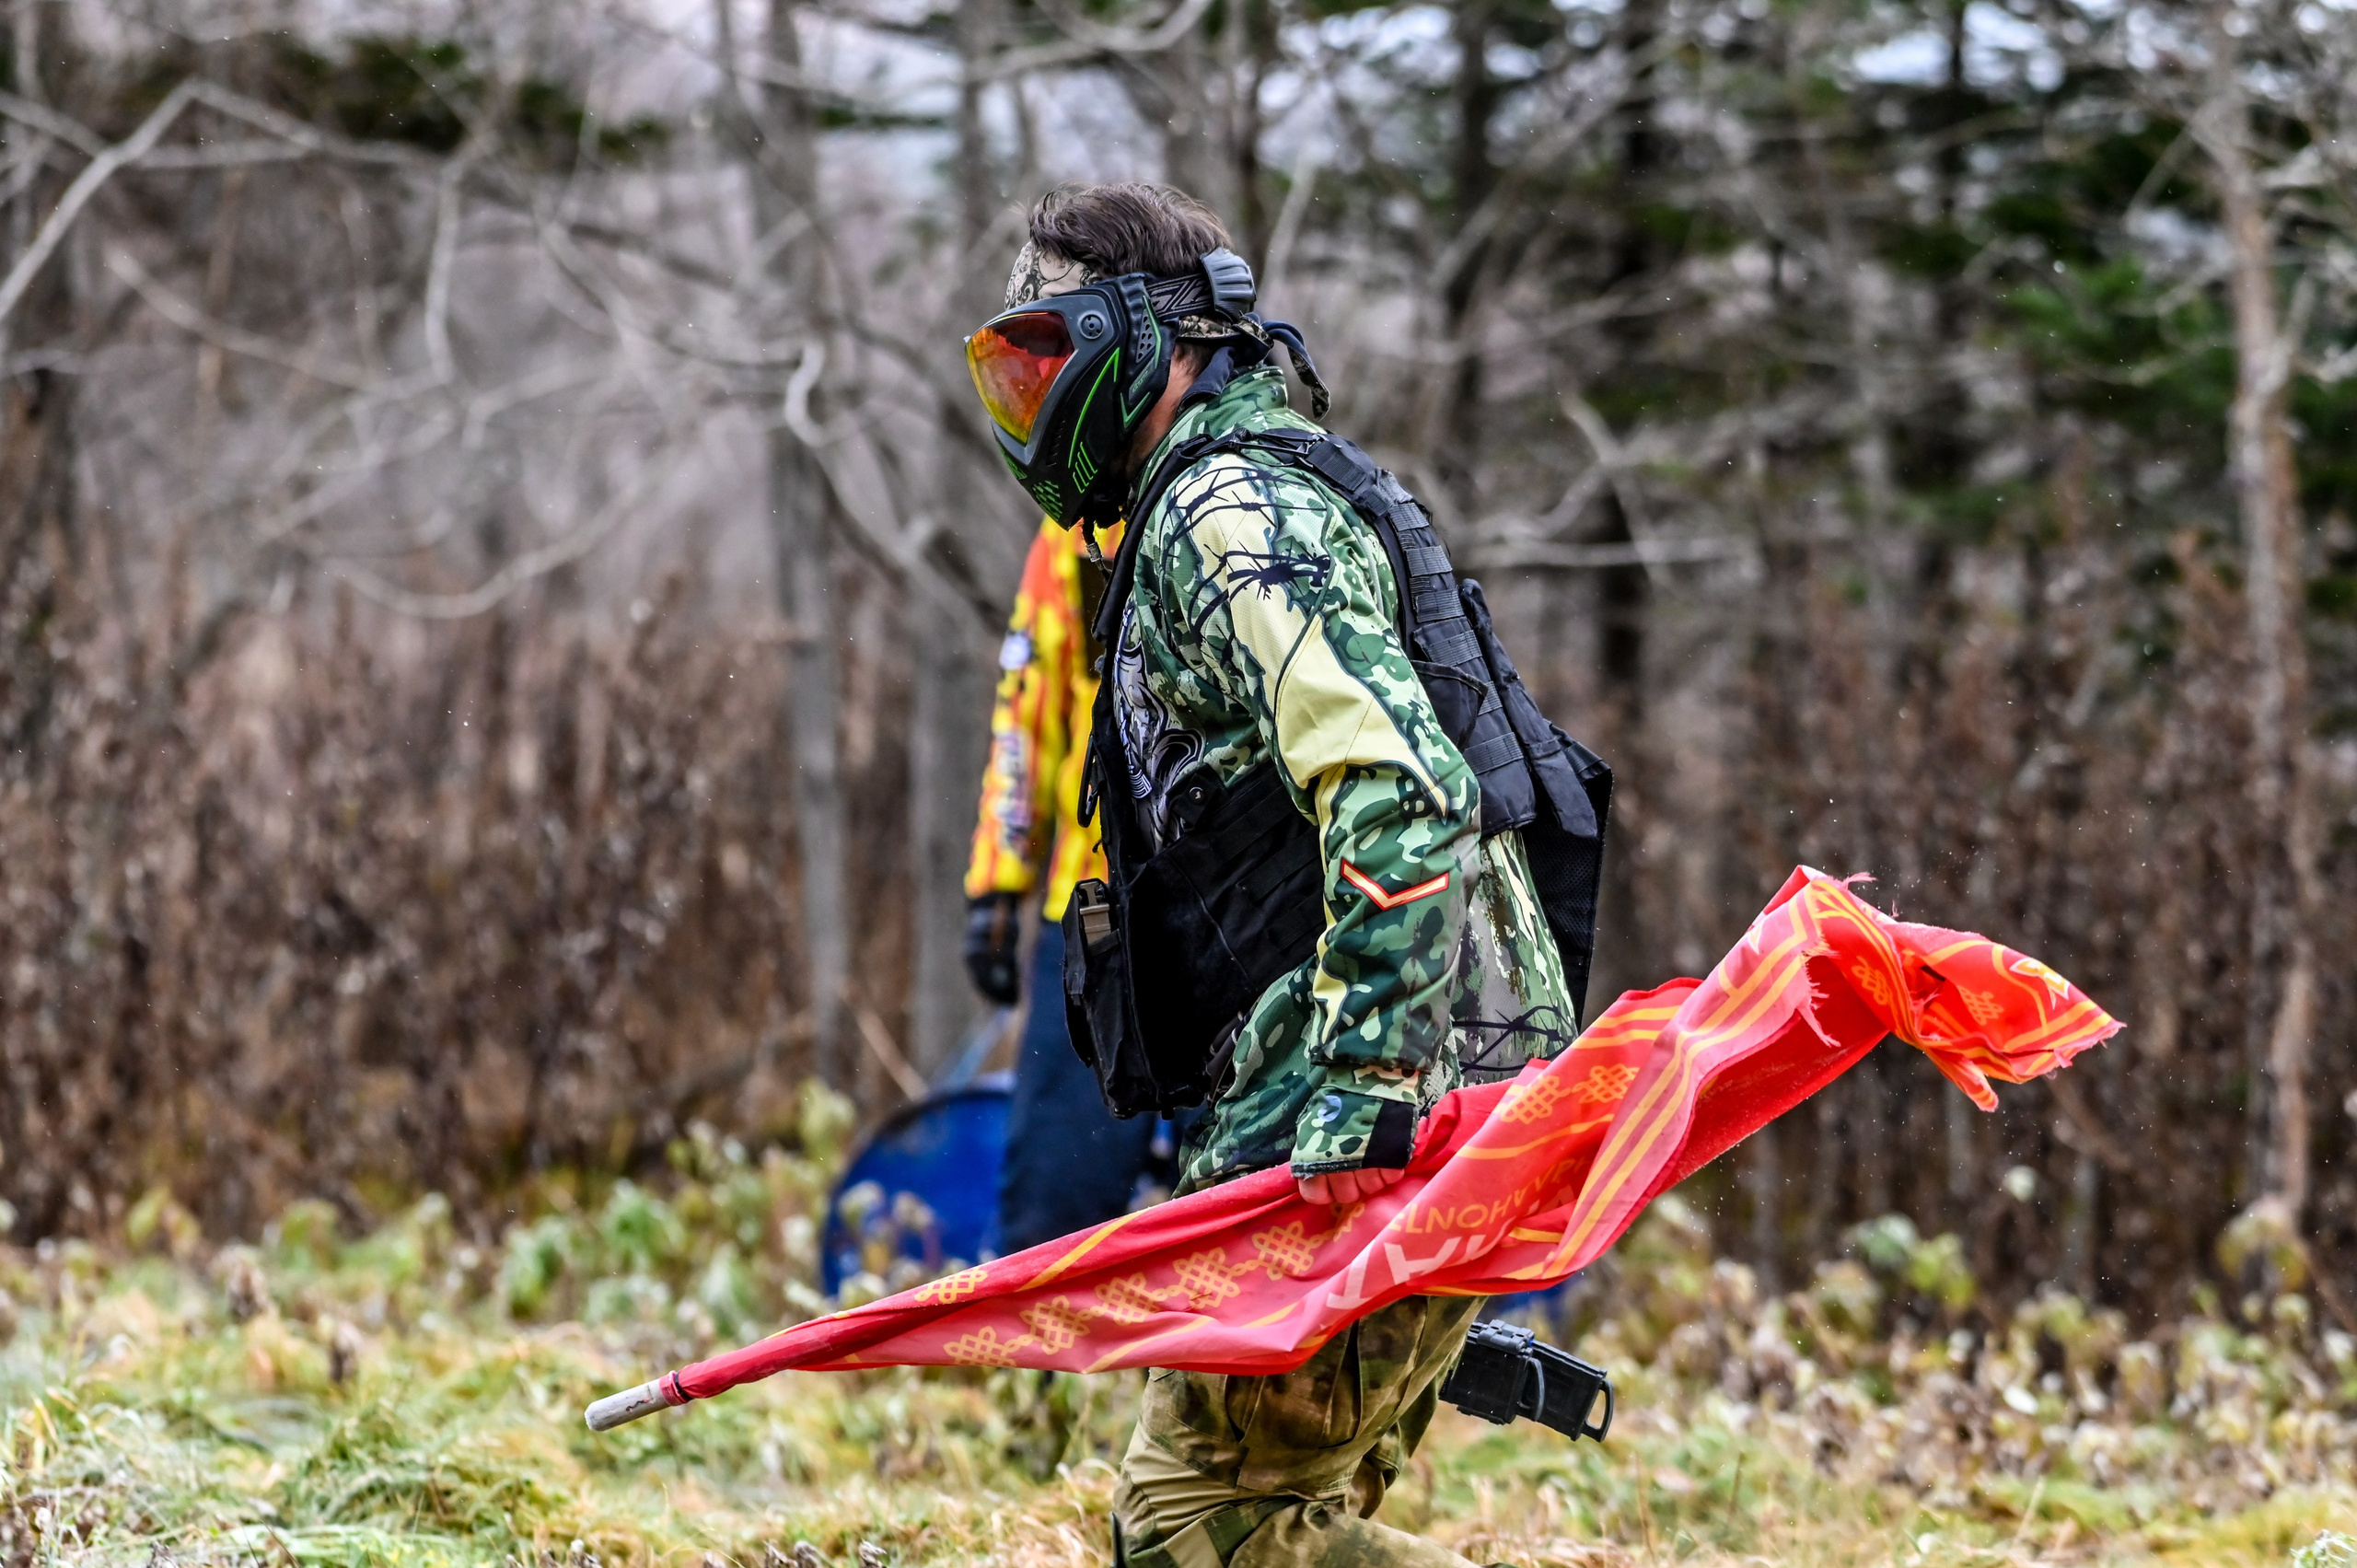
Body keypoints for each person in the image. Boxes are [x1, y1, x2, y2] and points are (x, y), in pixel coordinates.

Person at [963, 182, 1596, 1568]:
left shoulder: (1226, 513)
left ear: (1148, 338)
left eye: (1048, 357)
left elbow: (1400, 784)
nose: (1031, 406)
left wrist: (1368, 1082)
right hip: (1422, 1066)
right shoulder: (1236, 494)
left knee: (1198, 1526)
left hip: (1387, 1079)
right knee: (1262, 1513)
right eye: (1008, 373)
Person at [963, 515, 1176, 1253]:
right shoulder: (1076, 528)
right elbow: (1026, 711)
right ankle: (1043, 1338)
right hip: (1094, 917)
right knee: (1051, 1216)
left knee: (1245, 1197)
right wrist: (997, 885)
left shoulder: (1250, 492)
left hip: (1241, 916)